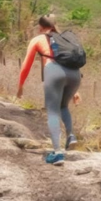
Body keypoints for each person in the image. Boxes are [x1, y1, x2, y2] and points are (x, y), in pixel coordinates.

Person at [16, 14, 82, 166]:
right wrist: (75, 91)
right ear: (54, 24)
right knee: (63, 106)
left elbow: (26, 65)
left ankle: (57, 153)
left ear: (40, 27)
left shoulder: (38, 39)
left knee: (52, 111)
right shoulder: (65, 39)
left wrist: (20, 86)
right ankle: (71, 136)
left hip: (54, 71)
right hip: (75, 75)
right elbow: (69, 63)